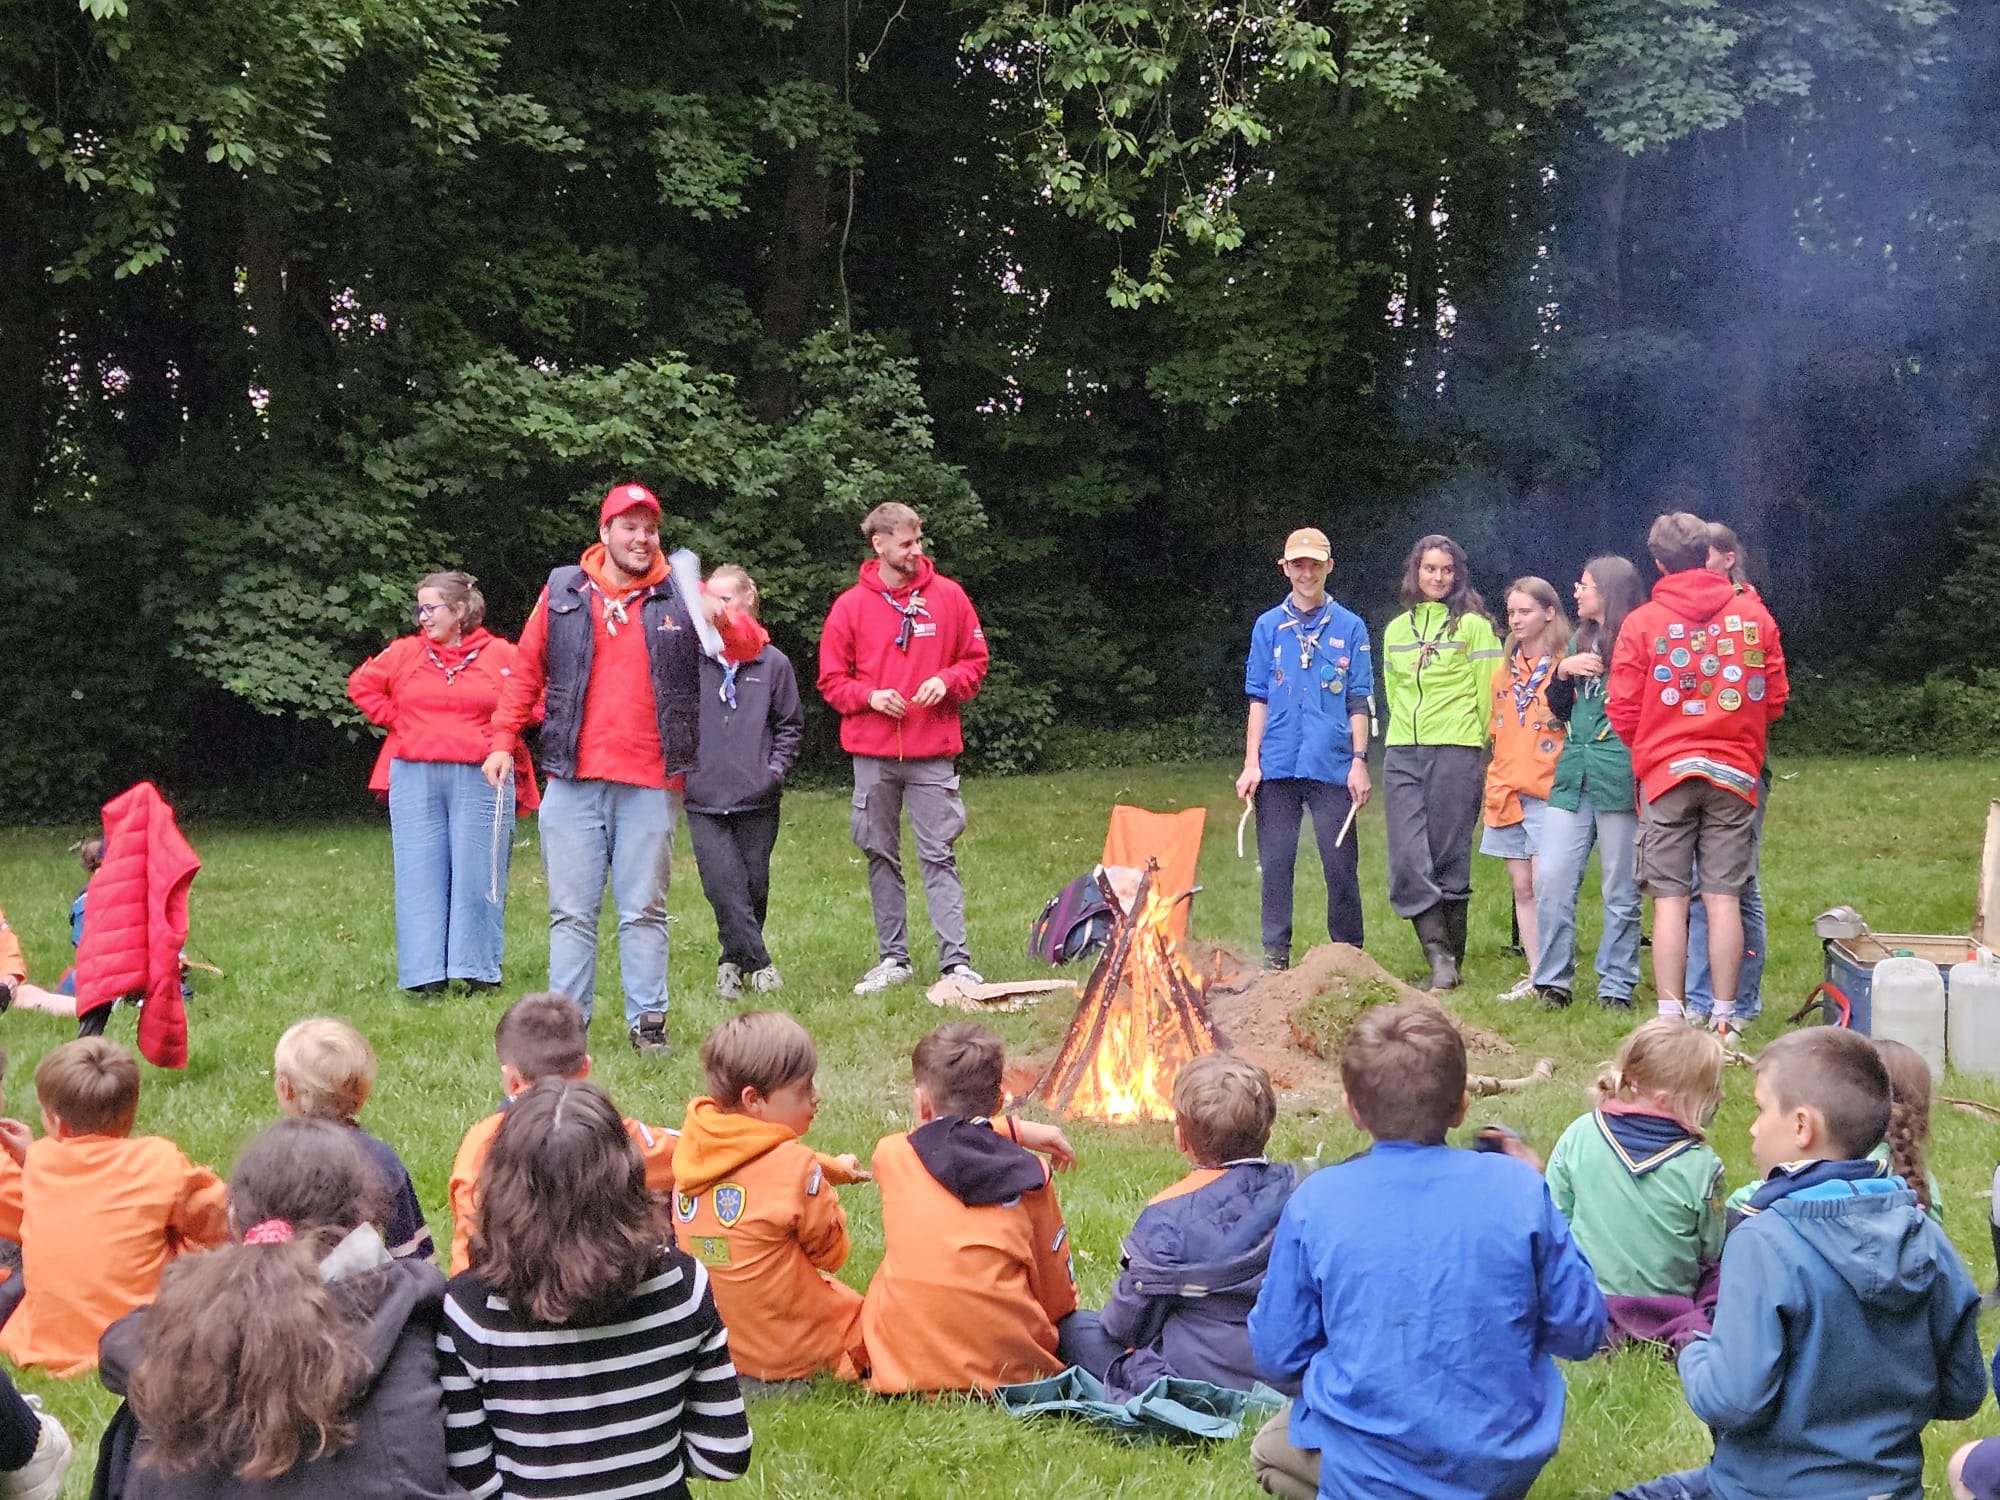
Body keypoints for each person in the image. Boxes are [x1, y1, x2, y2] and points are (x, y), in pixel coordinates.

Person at [1247, 1003, 1604, 1500]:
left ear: (1352, 1108)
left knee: (1270, 1448)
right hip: (1499, 1463)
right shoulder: (1520, 1188)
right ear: (1461, 1105)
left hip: (1373, 1464)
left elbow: (1278, 1353)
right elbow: (1581, 1329)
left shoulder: (1317, 1201)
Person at [1612, 1027, 1985, 1500]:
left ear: (1802, 1127)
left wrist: (1691, 1345)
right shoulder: (1926, 1235)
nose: (1751, 1126)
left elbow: (1732, 1400)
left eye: (1760, 1108)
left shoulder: (1763, 1241)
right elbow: (1963, 1391)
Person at [481, 483, 767, 1053]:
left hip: (651, 782)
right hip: (573, 777)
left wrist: (723, 616)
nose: (642, 538)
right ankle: (566, 1031)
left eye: (650, 528)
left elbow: (749, 647)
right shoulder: (563, 588)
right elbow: (525, 669)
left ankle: (648, 1024)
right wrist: (501, 739)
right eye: (629, 527)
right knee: (570, 914)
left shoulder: (682, 591)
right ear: (605, 530)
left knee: (643, 911)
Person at [98, 1119, 453, 1500]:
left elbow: (120, 1343)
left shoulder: (176, 1337)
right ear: (361, 1224)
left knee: (139, 1419)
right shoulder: (408, 1312)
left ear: (233, 1220)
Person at [435, 1077, 752, 1500]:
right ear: (628, 1175)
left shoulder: (469, 1310)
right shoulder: (683, 1285)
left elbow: (470, 1476)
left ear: (500, 1186)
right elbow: (724, 1454)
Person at [1607, 512, 1787, 1043]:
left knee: (1669, 898)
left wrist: (1654, 744)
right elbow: (1774, 698)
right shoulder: (1754, 617)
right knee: (1723, 896)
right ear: (1707, 552)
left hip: (1666, 773)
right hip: (1735, 772)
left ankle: (1669, 1017)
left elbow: (1622, 707)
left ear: (1659, 561)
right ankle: (1726, 1017)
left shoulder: (1642, 622)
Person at [861, 1021, 1115, 1393]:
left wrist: (1006, 1128)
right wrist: (1011, 1130)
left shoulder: (892, 1155)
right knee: (1082, 1329)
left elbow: (941, 1137)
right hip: (1010, 1377)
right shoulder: (1033, 1177)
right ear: (998, 1101)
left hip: (902, 1371)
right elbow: (1057, 1300)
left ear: (921, 1102)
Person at [817, 502, 990, 996]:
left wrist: (947, 679)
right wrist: (869, 697)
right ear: (880, 545)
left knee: (939, 853)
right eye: (907, 543)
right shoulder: (850, 607)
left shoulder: (950, 597)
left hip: (932, 753)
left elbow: (976, 661)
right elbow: (831, 682)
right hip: (872, 755)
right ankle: (894, 959)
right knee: (879, 854)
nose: (917, 551)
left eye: (919, 541)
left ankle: (955, 963)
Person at [348, 570, 538, 995]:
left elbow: (535, 697)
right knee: (419, 872)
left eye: (431, 607)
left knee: (479, 874)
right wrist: (401, 722)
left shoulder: (499, 654)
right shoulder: (405, 653)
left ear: (459, 610)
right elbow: (362, 685)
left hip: (481, 774)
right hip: (415, 774)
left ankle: (478, 972)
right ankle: (423, 975)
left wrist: (499, 735)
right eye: (420, 607)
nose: (422, 616)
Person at [0, 1038, 228, 1375]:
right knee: (193, 1250)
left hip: (46, 1341)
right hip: (139, 1333)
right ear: (131, 1113)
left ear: (57, 1124)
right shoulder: (157, 1160)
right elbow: (223, 1221)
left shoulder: (39, 1161)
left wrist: (34, 1156)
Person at [670, 1011, 871, 1383]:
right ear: (754, 1100)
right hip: (793, 1357)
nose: (816, 1097)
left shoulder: (693, 1152)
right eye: (804, 1089)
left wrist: (836, 1169)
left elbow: (756, 1163)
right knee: (874, 1316)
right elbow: (833, 1254)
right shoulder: (795, 1168)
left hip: (722, 1349)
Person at [1098, 1053, 1298, 1402]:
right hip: (1289, 1369)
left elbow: (1126, 1324)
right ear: (1268, 1126)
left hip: (1194, 1373)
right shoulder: (1303, 1191)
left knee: (1077, 1331)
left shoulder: (1166, 1216)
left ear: (1181, 1139)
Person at [447, 991, 676, 1273]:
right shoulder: (618, 1136)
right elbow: (691, 1152)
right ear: (585, 1068)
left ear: (512, 1080)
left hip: (508, 1296)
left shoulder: (480, 1146)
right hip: (605, 1282)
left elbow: (467, 1255)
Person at [1235, 527, 1372, 970]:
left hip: (1331, 764)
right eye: (1298, 565)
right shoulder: (1268, 626)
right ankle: (1276, 957)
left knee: (1339, 865)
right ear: (1285, 568)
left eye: (1315, 564)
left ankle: (1347, 957)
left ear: (1330, 567)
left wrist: (1359, 762)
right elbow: (1258, 697)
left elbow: (1359, 699)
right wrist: (1251, 762)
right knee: (1276, 864)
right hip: (1277, 764)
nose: (1307, 573)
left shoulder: (1350, 626)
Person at [1545, 1020, 1726, 1349]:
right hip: (1669, 1309)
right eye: (1710, 1090)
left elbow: (1555, 1213)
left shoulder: (1580, 1132)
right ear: (1664, 1099)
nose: (1721, 1097)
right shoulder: (1703, 1164)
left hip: (1588, 1301)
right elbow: (1711, 1247)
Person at [1380, 535, 1503, 991]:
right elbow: (1393, 691)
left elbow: (1489, 691)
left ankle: (1449, 963)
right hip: (1403, 751)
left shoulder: (1473, 627)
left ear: (1457, 575)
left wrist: (1483, 747)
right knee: (1409, 857)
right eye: (1429, 569)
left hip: (1457, 748)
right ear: (1416, 572)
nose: (1436, 577)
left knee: (1449, 855)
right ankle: (1439, 955)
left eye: (1445, 570)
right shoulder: (1396, 631)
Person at [684, 565, 804, 999]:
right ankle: (761, 964)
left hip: (757, 795)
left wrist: (773, 772)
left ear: (749, 600)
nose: (718, 609)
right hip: (703, 795)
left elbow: (789, 725)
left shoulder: (772, 663)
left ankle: (731, 962)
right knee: (722, 885)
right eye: (710, 599)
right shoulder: (694, 658)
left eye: (727, 599)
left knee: (753, 885)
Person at [1532, 556, 1646, 1009]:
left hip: (1618, 770)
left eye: (1585, 585)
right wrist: (1561, 671)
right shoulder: (1581, 638)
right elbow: (1559, 709)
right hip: (1573, 771)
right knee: (1553, 877)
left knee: (1620, 886)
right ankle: (1552, 982)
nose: (1575, 593)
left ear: (1609, 591)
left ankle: (1616, 986)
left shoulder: (1637, 636)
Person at [1686, 523, 1770, 1026]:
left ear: (1730, 559)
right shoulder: (1689, 613)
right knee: (1699, 886)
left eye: (1708, 558)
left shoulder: (1749, 611)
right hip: (1691, 758)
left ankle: (1741, 1002)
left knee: (1737, 885)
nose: (1699, 569)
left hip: (1740, 760)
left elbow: (1769, 695)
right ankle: (1701, 1000)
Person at [272, 1017, 435, 1261]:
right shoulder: (381, 1160)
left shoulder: (268, 1161)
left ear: (285, 1088)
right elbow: (410, 1253)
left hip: (289, 1292)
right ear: (363, 1094)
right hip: (374, 1293)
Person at [1481, 578, 1569, 1000]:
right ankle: (1536, 974)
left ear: (1549, 613)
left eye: (1526, 611)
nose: (1516, 620)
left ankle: (1553, 975)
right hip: (1505, 789)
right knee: (1521, 887)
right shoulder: (1505, 670)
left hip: (1546, 788)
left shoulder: (1563, 666)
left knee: (1544, 883)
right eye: (1512, 612)